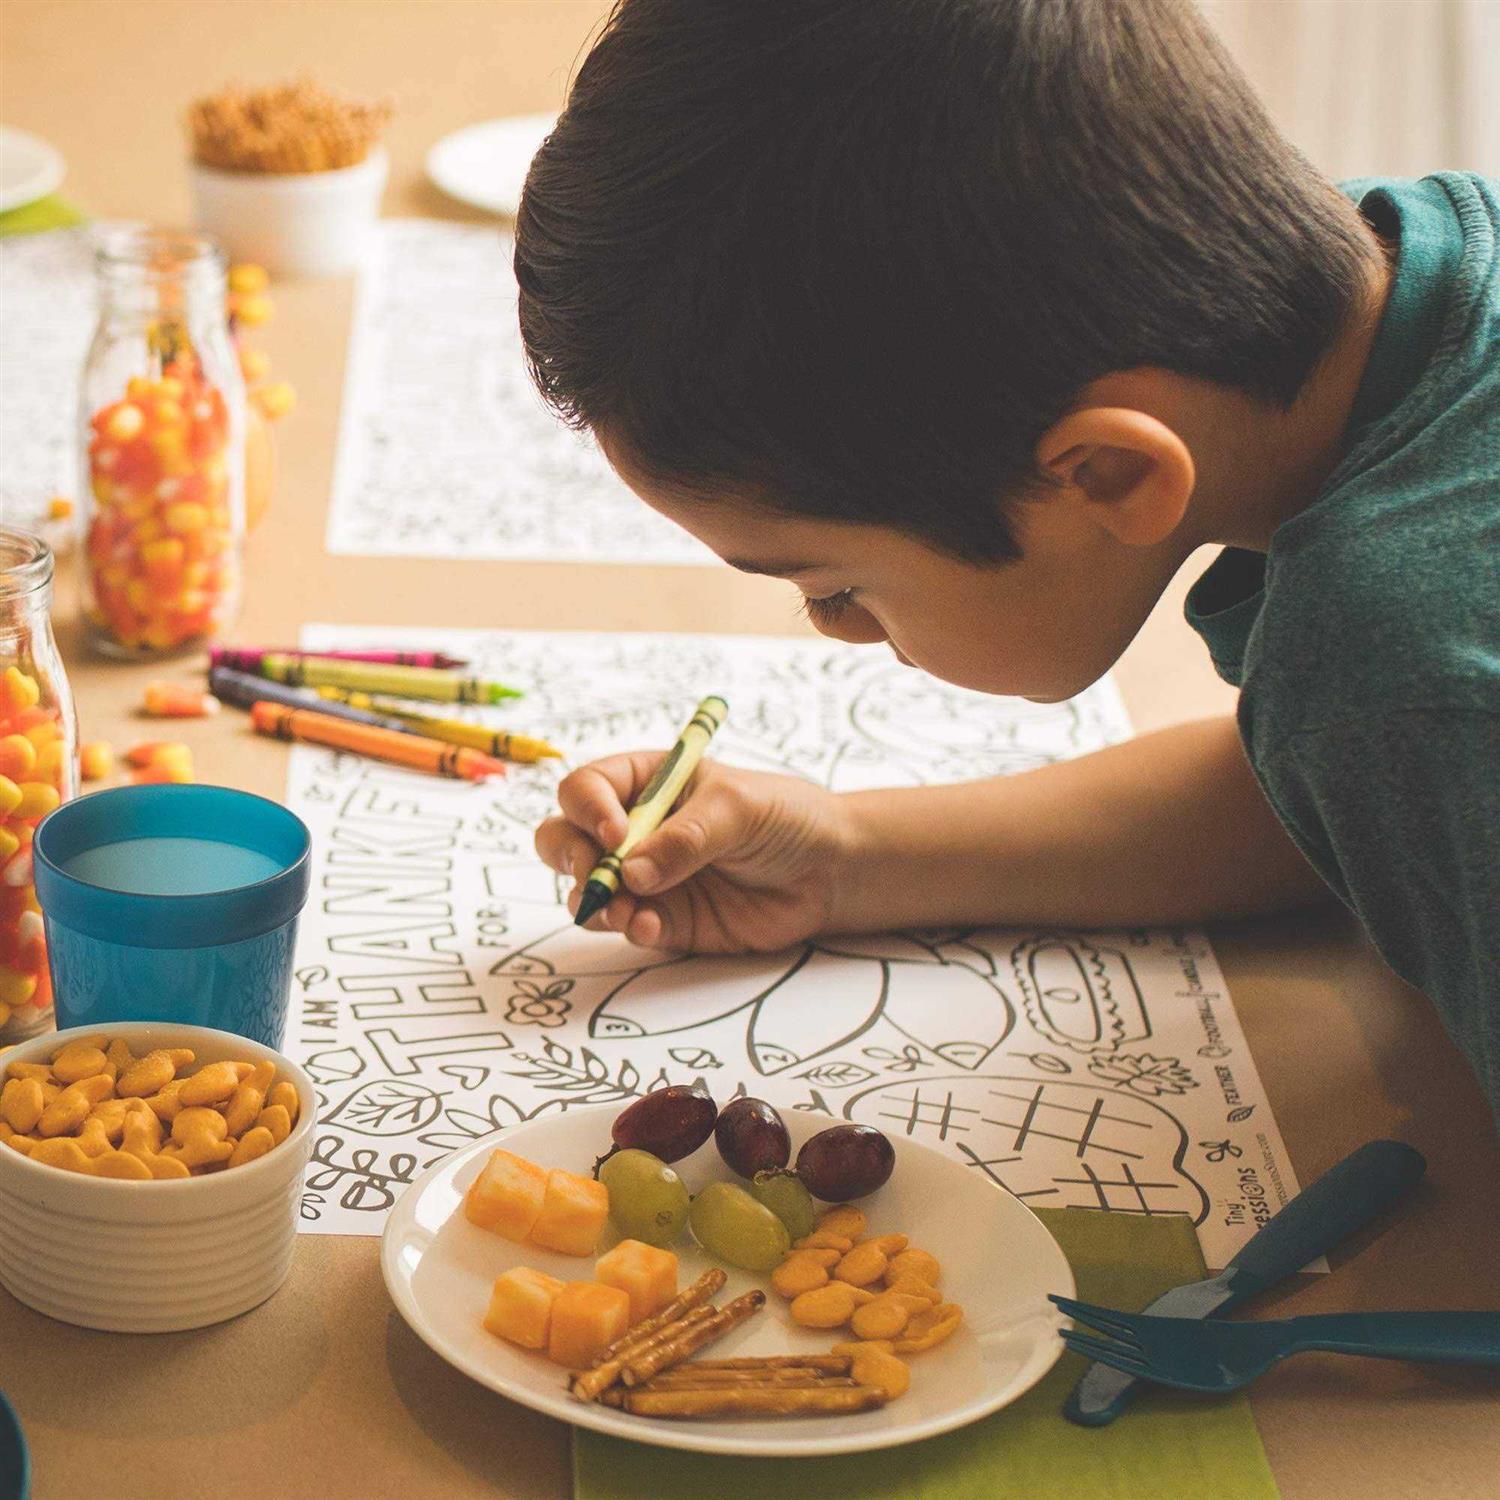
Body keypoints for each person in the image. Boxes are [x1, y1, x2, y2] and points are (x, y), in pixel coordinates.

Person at [516, 0, 1499, 1119]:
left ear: (1110, 476)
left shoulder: (1403, 666)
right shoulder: (1421, 263)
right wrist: (845, 857)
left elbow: (1404, 739)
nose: (836, 631)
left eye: (836, 589)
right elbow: (1320, 794)